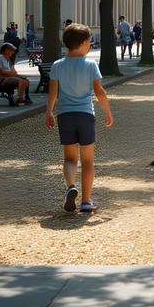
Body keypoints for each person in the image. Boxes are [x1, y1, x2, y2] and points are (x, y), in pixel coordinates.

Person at [45, 23, 112, 213]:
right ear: (83, 43)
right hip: (85, 115)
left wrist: (49, 112)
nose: (90, 44)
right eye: (90, 41)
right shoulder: (90, 64)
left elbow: (52, 93)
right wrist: (107, 111)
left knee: (70, 158)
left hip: (65, 115)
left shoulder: (57, 65)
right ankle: (86, 201)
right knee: (88, 160)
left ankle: (70, 186)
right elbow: (99, 91)